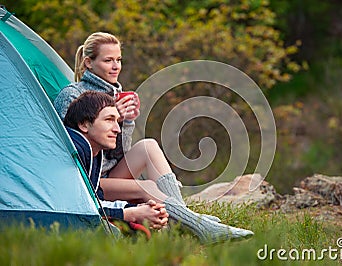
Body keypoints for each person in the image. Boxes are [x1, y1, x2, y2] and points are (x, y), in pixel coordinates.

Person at [54, 32, 253, 244]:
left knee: (148, 146)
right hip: (87, 178)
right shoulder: (72, 95)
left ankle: (185, 218)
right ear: (88, 63)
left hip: (110, 172)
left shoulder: (116, 94)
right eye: (108, 60)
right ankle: (197, 225)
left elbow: (119, 151)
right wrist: (116, 116)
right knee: (146, 187)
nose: (116, 66)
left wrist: (126, 122)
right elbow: (68, 147)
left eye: (119, 60)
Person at [64, 91, 168, 230]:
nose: (117, 129)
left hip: (106, 184)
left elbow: (95, 201)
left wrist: (139, 209)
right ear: (84, 125)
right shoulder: (73, 151)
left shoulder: (93, 153)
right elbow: (79, 209)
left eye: (117, 121)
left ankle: (176, 217)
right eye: (109, 120)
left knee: (149, 145)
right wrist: (132, 213)